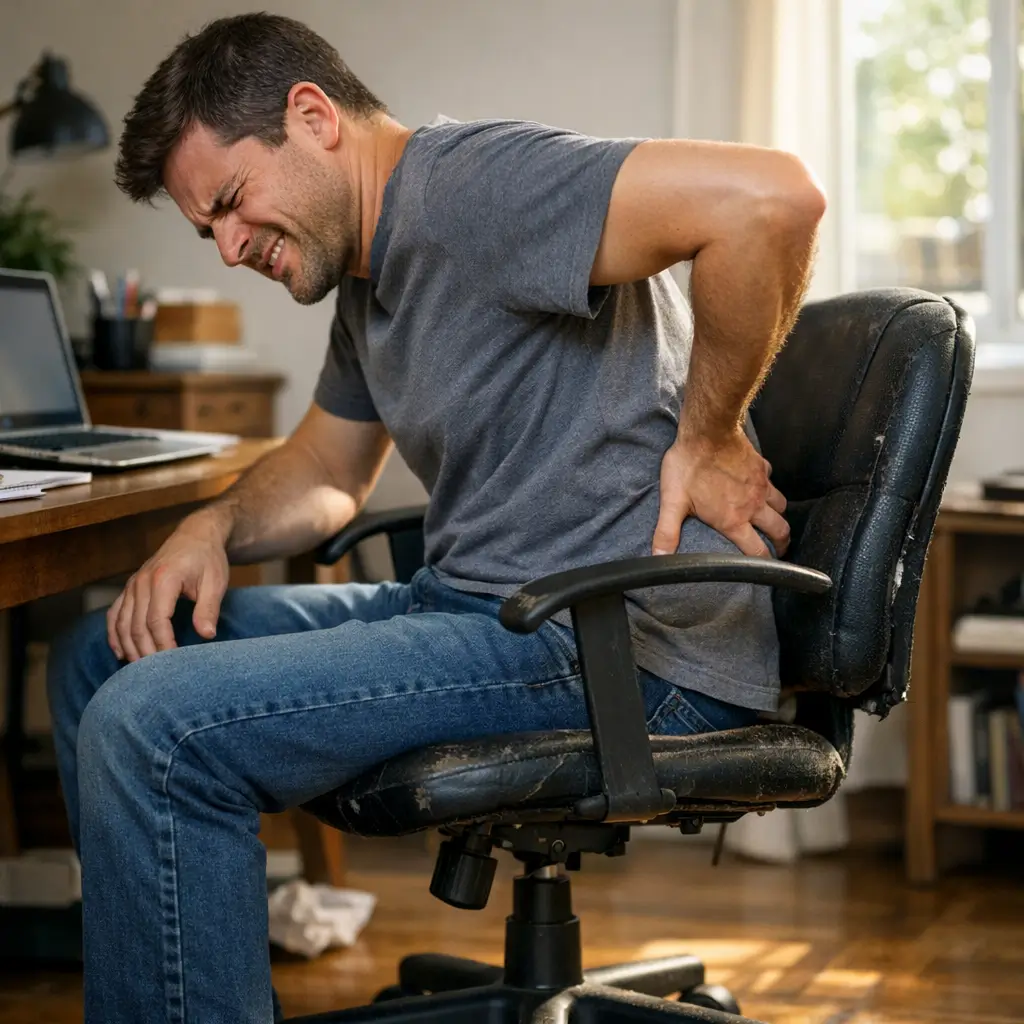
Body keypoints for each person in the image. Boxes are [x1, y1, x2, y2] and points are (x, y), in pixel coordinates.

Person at [46, 12, 824, 1023]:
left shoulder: (470, 188)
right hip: (480, 610)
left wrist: (709, 432)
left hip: (615, 643)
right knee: (100, 659)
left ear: (313, 117)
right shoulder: (367, 276)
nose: (230, 249)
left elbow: (772, 198)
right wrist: (211, 529)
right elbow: (331, 470)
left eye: (231, 205)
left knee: (156, 726)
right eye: (208, 232)